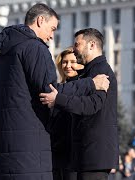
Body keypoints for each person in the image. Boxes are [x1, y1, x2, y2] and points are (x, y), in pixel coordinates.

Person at [0, 3, 110, 180]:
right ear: (40, 20)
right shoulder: (34, 47)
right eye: (52, 28)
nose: (51, 36)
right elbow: (50, 91)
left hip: (1, 152)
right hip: (30, 152)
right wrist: (90, 84)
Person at [40, 28, 118, 180]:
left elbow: (91, 105)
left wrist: (58, 99)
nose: (74, 49)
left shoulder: (101, 72)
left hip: (95, 155)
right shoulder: (90, 72)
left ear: (92, 45)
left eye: (77, 45)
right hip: (86, 153)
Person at [49, 47, 84, 180]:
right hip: (57, 154)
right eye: (64, 62)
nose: (68, 66)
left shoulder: (84, 88)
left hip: (75, 155)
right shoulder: (57, 89)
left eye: (72, 62)